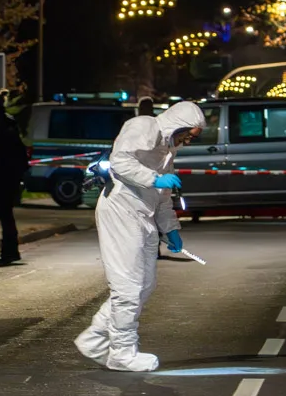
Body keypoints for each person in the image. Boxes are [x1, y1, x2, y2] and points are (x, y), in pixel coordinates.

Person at [75, 100, 205, 371]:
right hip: (120, 211)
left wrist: (170, 228)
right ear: (177, 123)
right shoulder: (144, 125)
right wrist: (153, 179)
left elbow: (164, 197)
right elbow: (120, 161)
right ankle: (122, 353)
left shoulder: (167, 151)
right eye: (188, 134)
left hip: (141, 216)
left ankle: (95, 338)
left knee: (144, 285)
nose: (188, 141)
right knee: (128, 286)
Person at [0, 90, 29, 266]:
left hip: (3, 172)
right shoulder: (9, 120)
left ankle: (9, 251)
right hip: (12, 172)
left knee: (5, 213)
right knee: (7, 213)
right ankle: (11, 250)